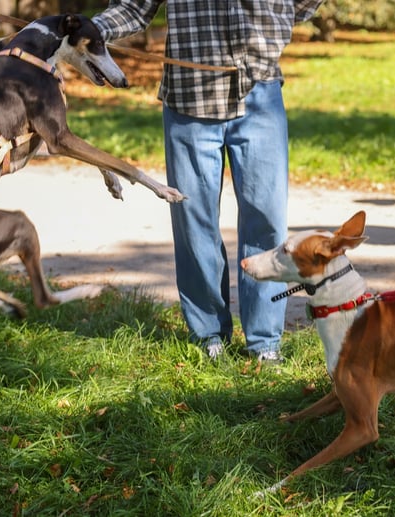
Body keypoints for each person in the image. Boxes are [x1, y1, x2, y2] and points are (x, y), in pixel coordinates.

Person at [93, 1, 324, 363]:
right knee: (193, 221)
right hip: (190, 96)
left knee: (266, 218)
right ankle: (209, 334)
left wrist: (276, 19)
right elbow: (133, 6)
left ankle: (264, 342)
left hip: (259, 91)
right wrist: (89, 31)